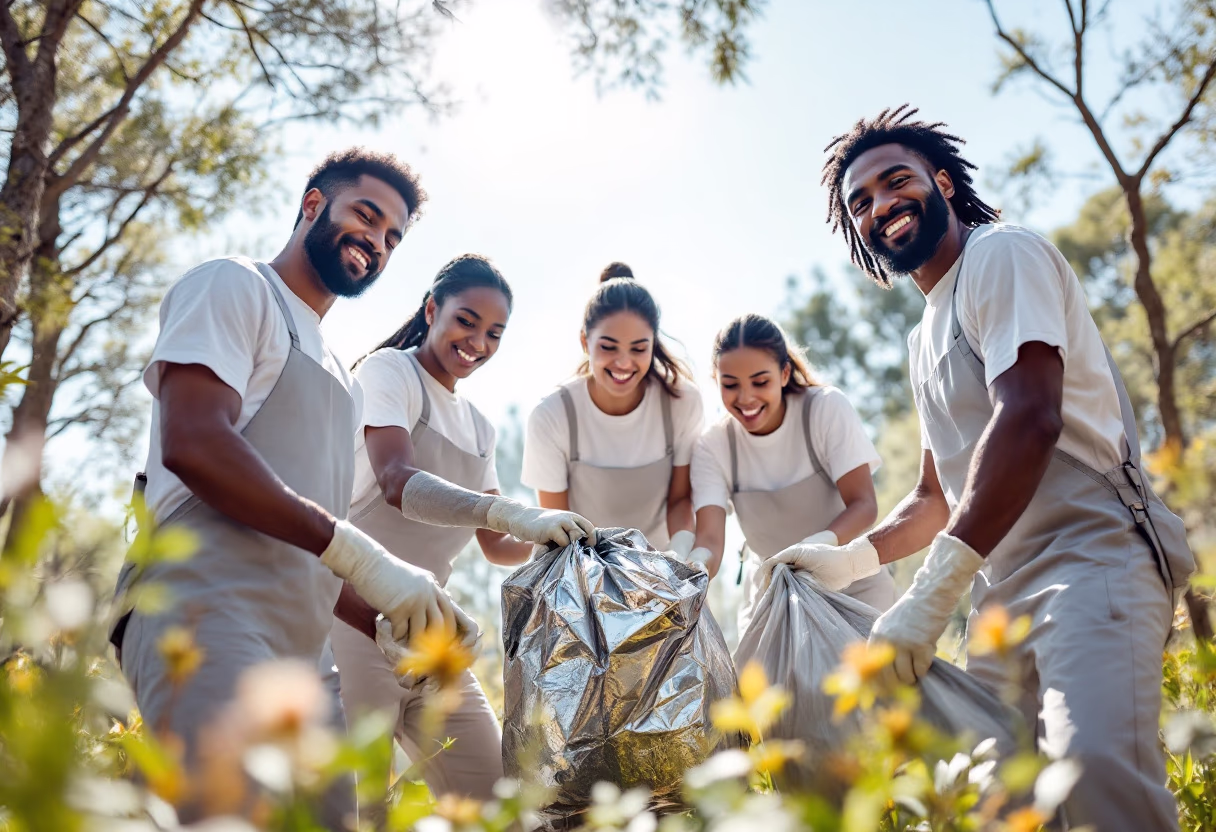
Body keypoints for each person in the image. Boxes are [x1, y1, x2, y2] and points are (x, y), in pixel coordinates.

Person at [770, 105, 1195, 831]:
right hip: (998, 596)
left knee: (1091, 774)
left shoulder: (1002, 255)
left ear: (941, 180)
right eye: (861, 203)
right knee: (1001, 807)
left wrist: (933, 593)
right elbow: (936, 495)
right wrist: (849, 562)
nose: (881, 206)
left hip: (1093, 560)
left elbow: (1030, 420)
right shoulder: (920, 337)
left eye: (896, 181)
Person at [108, 149, 478, 828]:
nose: (377, 241)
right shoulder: (234, 286)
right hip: (203, 609)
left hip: (307, 663)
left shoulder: (341, 377)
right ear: (313, 206)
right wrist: (366, 557)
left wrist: (391, 622)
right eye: (365, 216)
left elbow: (312, 545)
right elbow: (194, 443)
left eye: (393, 237)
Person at [330, 255, 593, 805]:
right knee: (361, 806)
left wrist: (557, 534)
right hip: (351, 622)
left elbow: (498, 546)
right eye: (466, 321)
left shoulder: (480, 426)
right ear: (432, 309)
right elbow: (397, 482)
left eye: (494, 333)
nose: (478, 341)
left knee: (493, 800)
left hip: (429, 640)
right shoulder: (389, 372)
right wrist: (512, 513)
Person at [693, 314, 896, 635]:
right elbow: (710, 540)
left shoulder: (824, 409)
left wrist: (815, 548)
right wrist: (688, 572)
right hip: (774, 599)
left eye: (760, 382)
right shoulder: (714, 445)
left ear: (784, 373)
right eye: (730, 385)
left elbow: (863, 505)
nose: (746, 399)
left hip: (853, 588)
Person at [522, 263, 704, 561]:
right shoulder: (552, 415)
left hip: (661, 575)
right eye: (608, 347)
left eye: (638, 348)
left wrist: (681, 553)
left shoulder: (681, 402)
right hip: (581, 575)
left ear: (653, 344)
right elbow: (558, 528)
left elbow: (680, 501)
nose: (623, 363)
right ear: (585, 341)